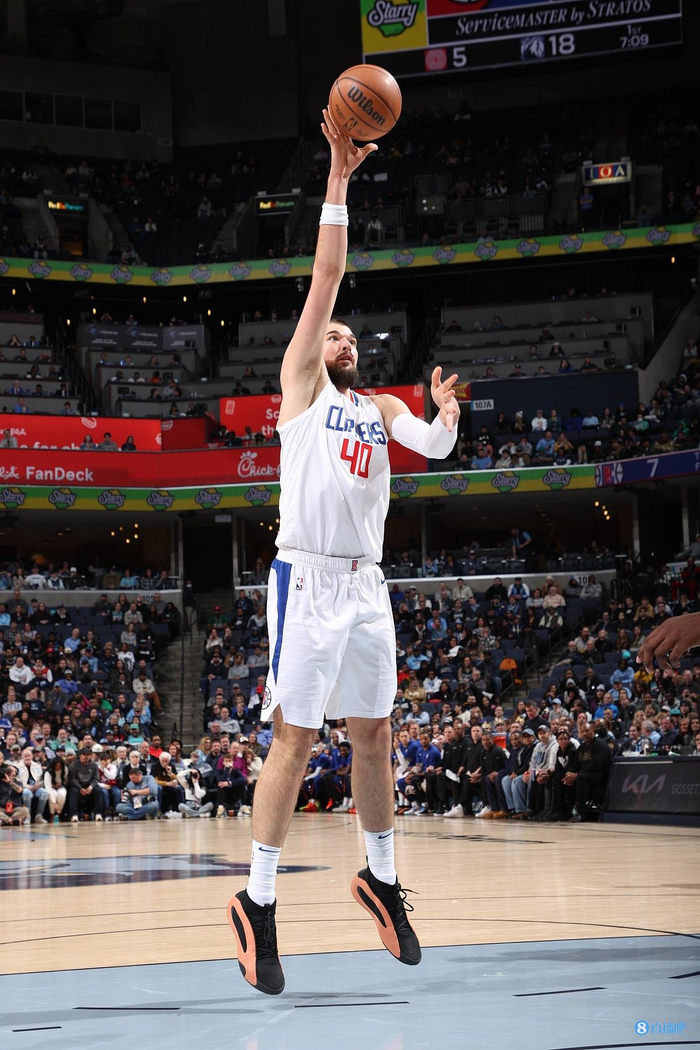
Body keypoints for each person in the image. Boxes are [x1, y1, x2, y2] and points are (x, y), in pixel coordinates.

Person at [228, 109, 459, 996]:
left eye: (351, 337)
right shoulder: (302, 391)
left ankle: (382, 878)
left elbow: (432, 448)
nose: (343, 339)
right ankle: (257, 902)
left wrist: (444, 419)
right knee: (295, 738)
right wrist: (336, 176)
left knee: (375, 733)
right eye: (334, 335)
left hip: (368, 586)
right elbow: (327, 275)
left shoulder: (381, 408)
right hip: (308, 578)